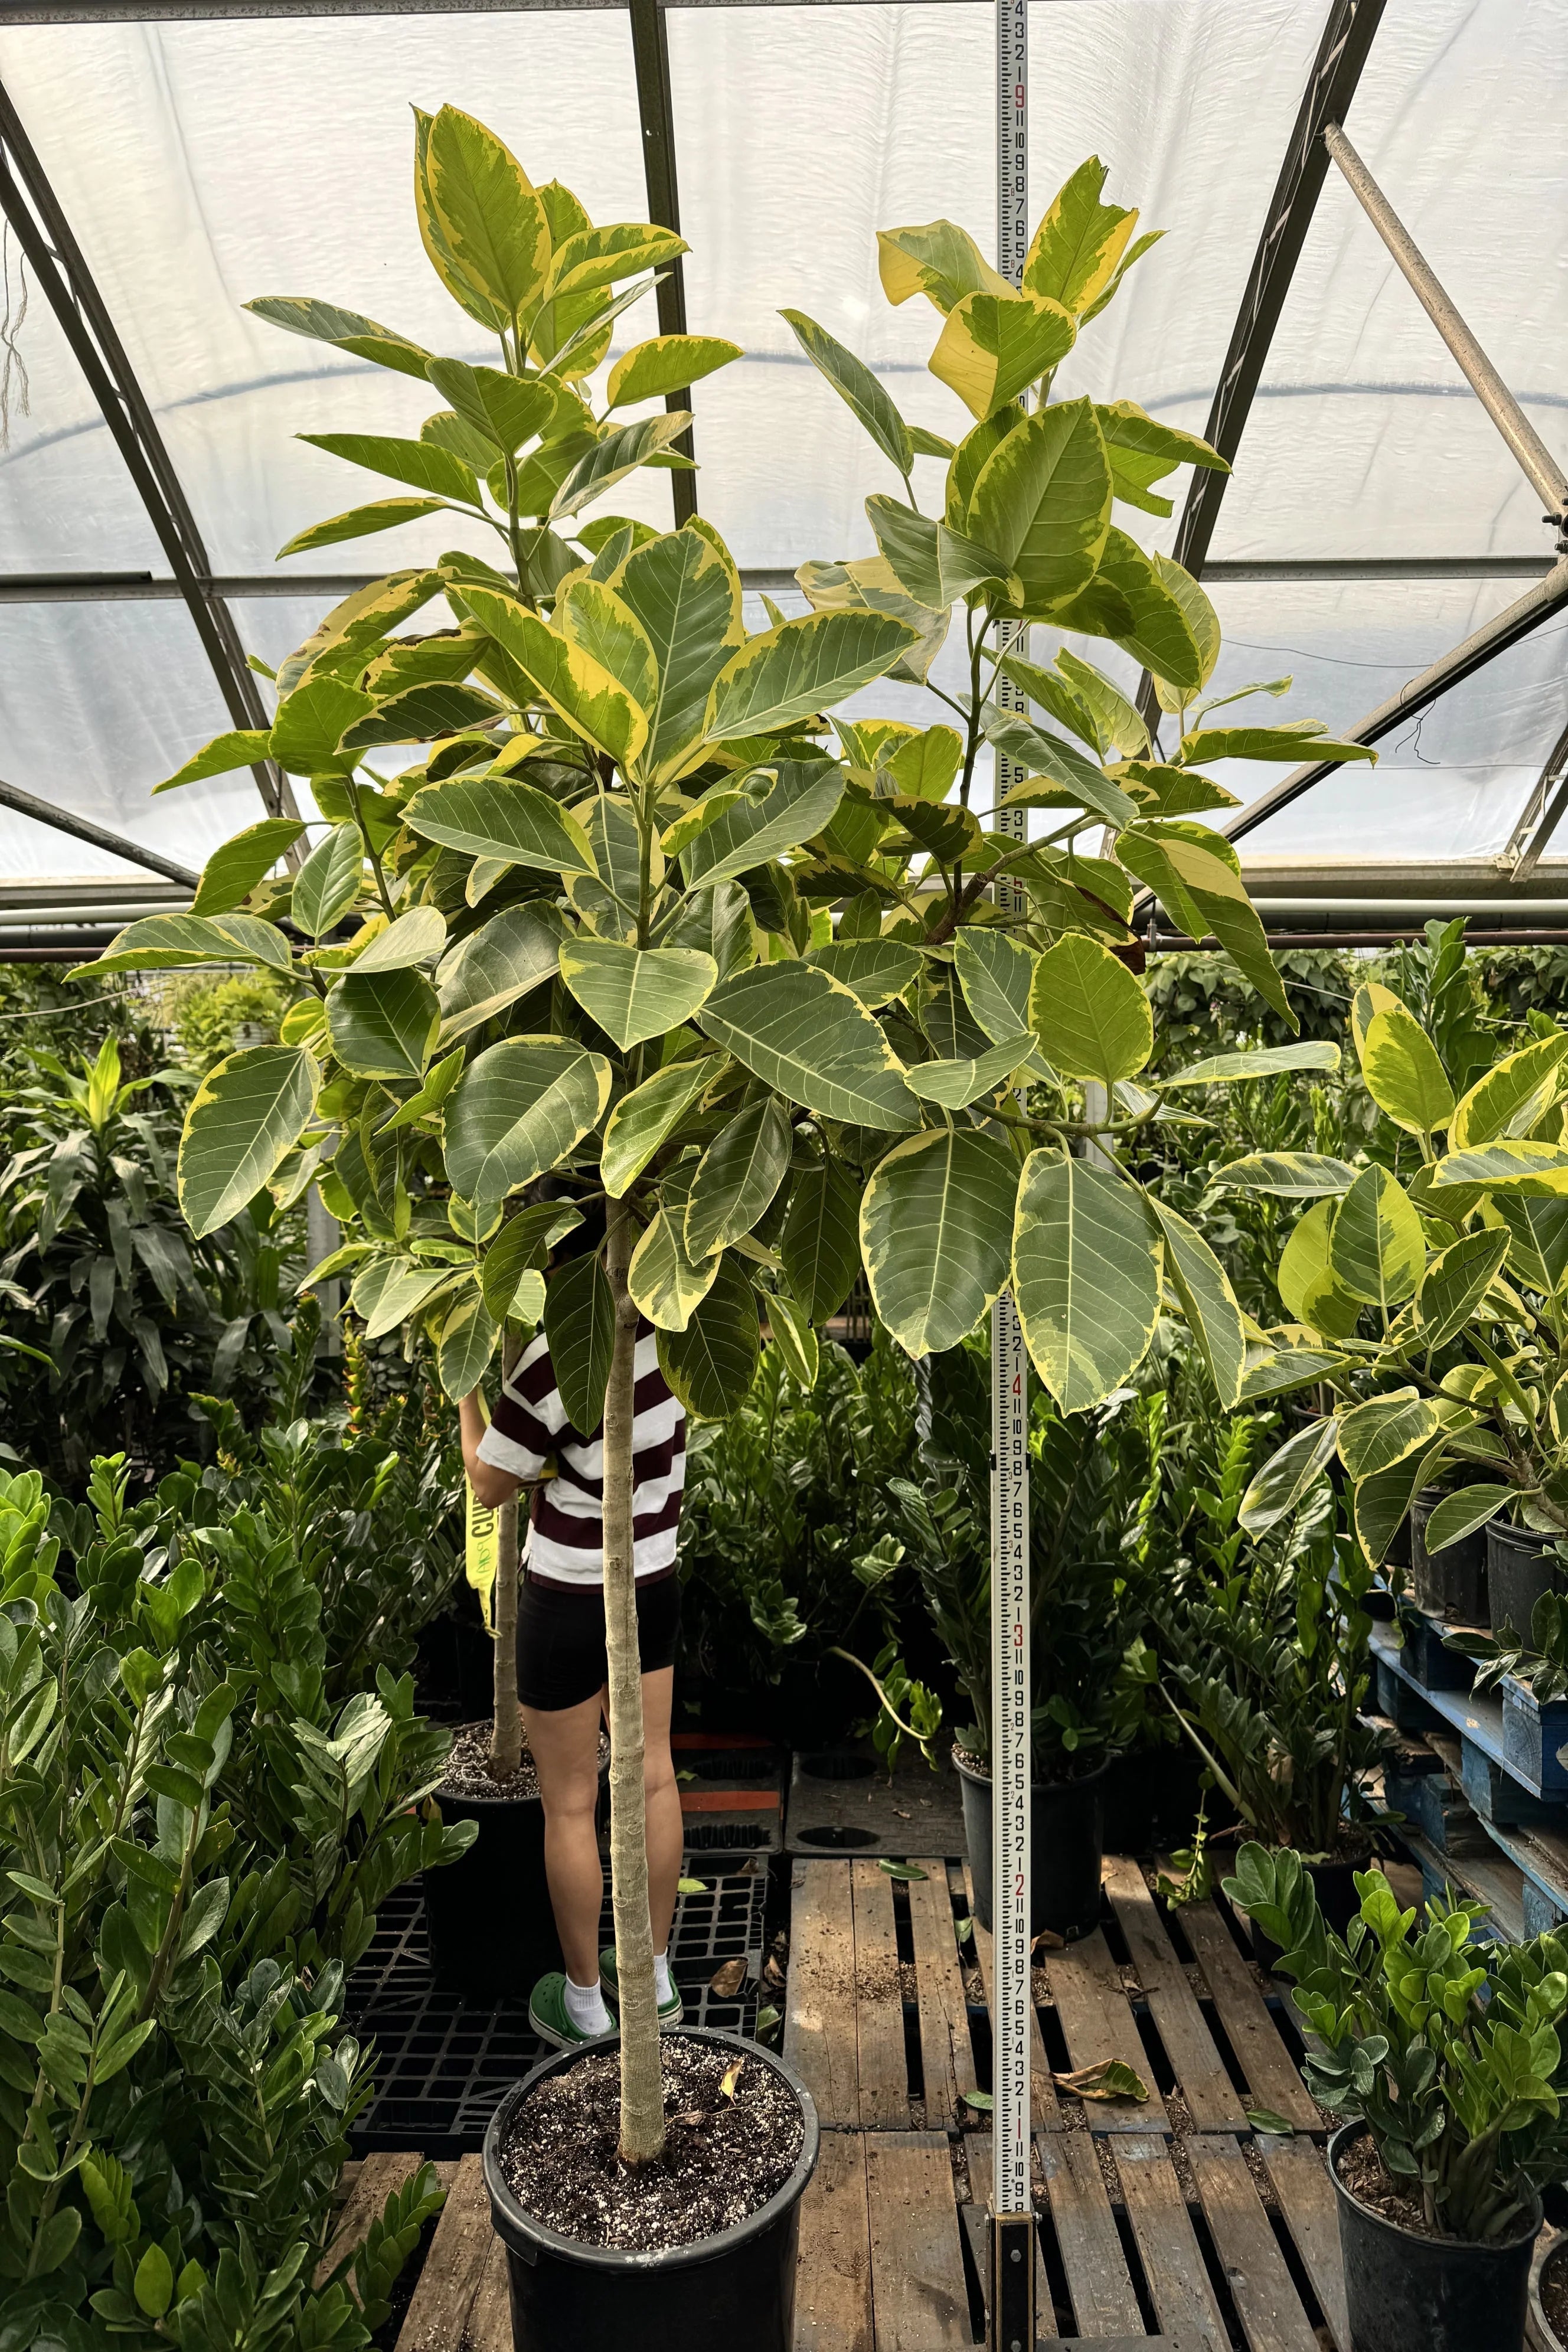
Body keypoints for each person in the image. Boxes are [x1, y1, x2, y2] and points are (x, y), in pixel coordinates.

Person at [458, 1298, 688, 2049]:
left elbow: (488, 1483)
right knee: (653, 1773)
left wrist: (462, 1388)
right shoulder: (686, 1328)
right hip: (653, 1579)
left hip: (566, 1597)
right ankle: (651, 1978)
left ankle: (585, 2005)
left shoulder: (556, 1358)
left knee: (567, 1804)